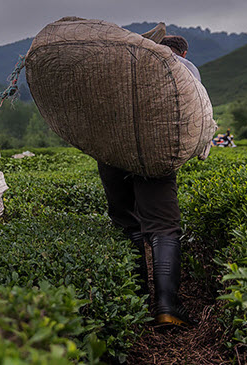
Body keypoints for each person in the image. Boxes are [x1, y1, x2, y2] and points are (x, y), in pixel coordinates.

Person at [95, 34, 201, 329]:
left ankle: (136, 305)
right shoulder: (183, 67)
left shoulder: (119, 70)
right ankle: (167, 308)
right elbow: (196, 110)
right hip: (154, 152)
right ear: (182, 52)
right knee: (163, 226)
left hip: (110, 153)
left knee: (128, 224)